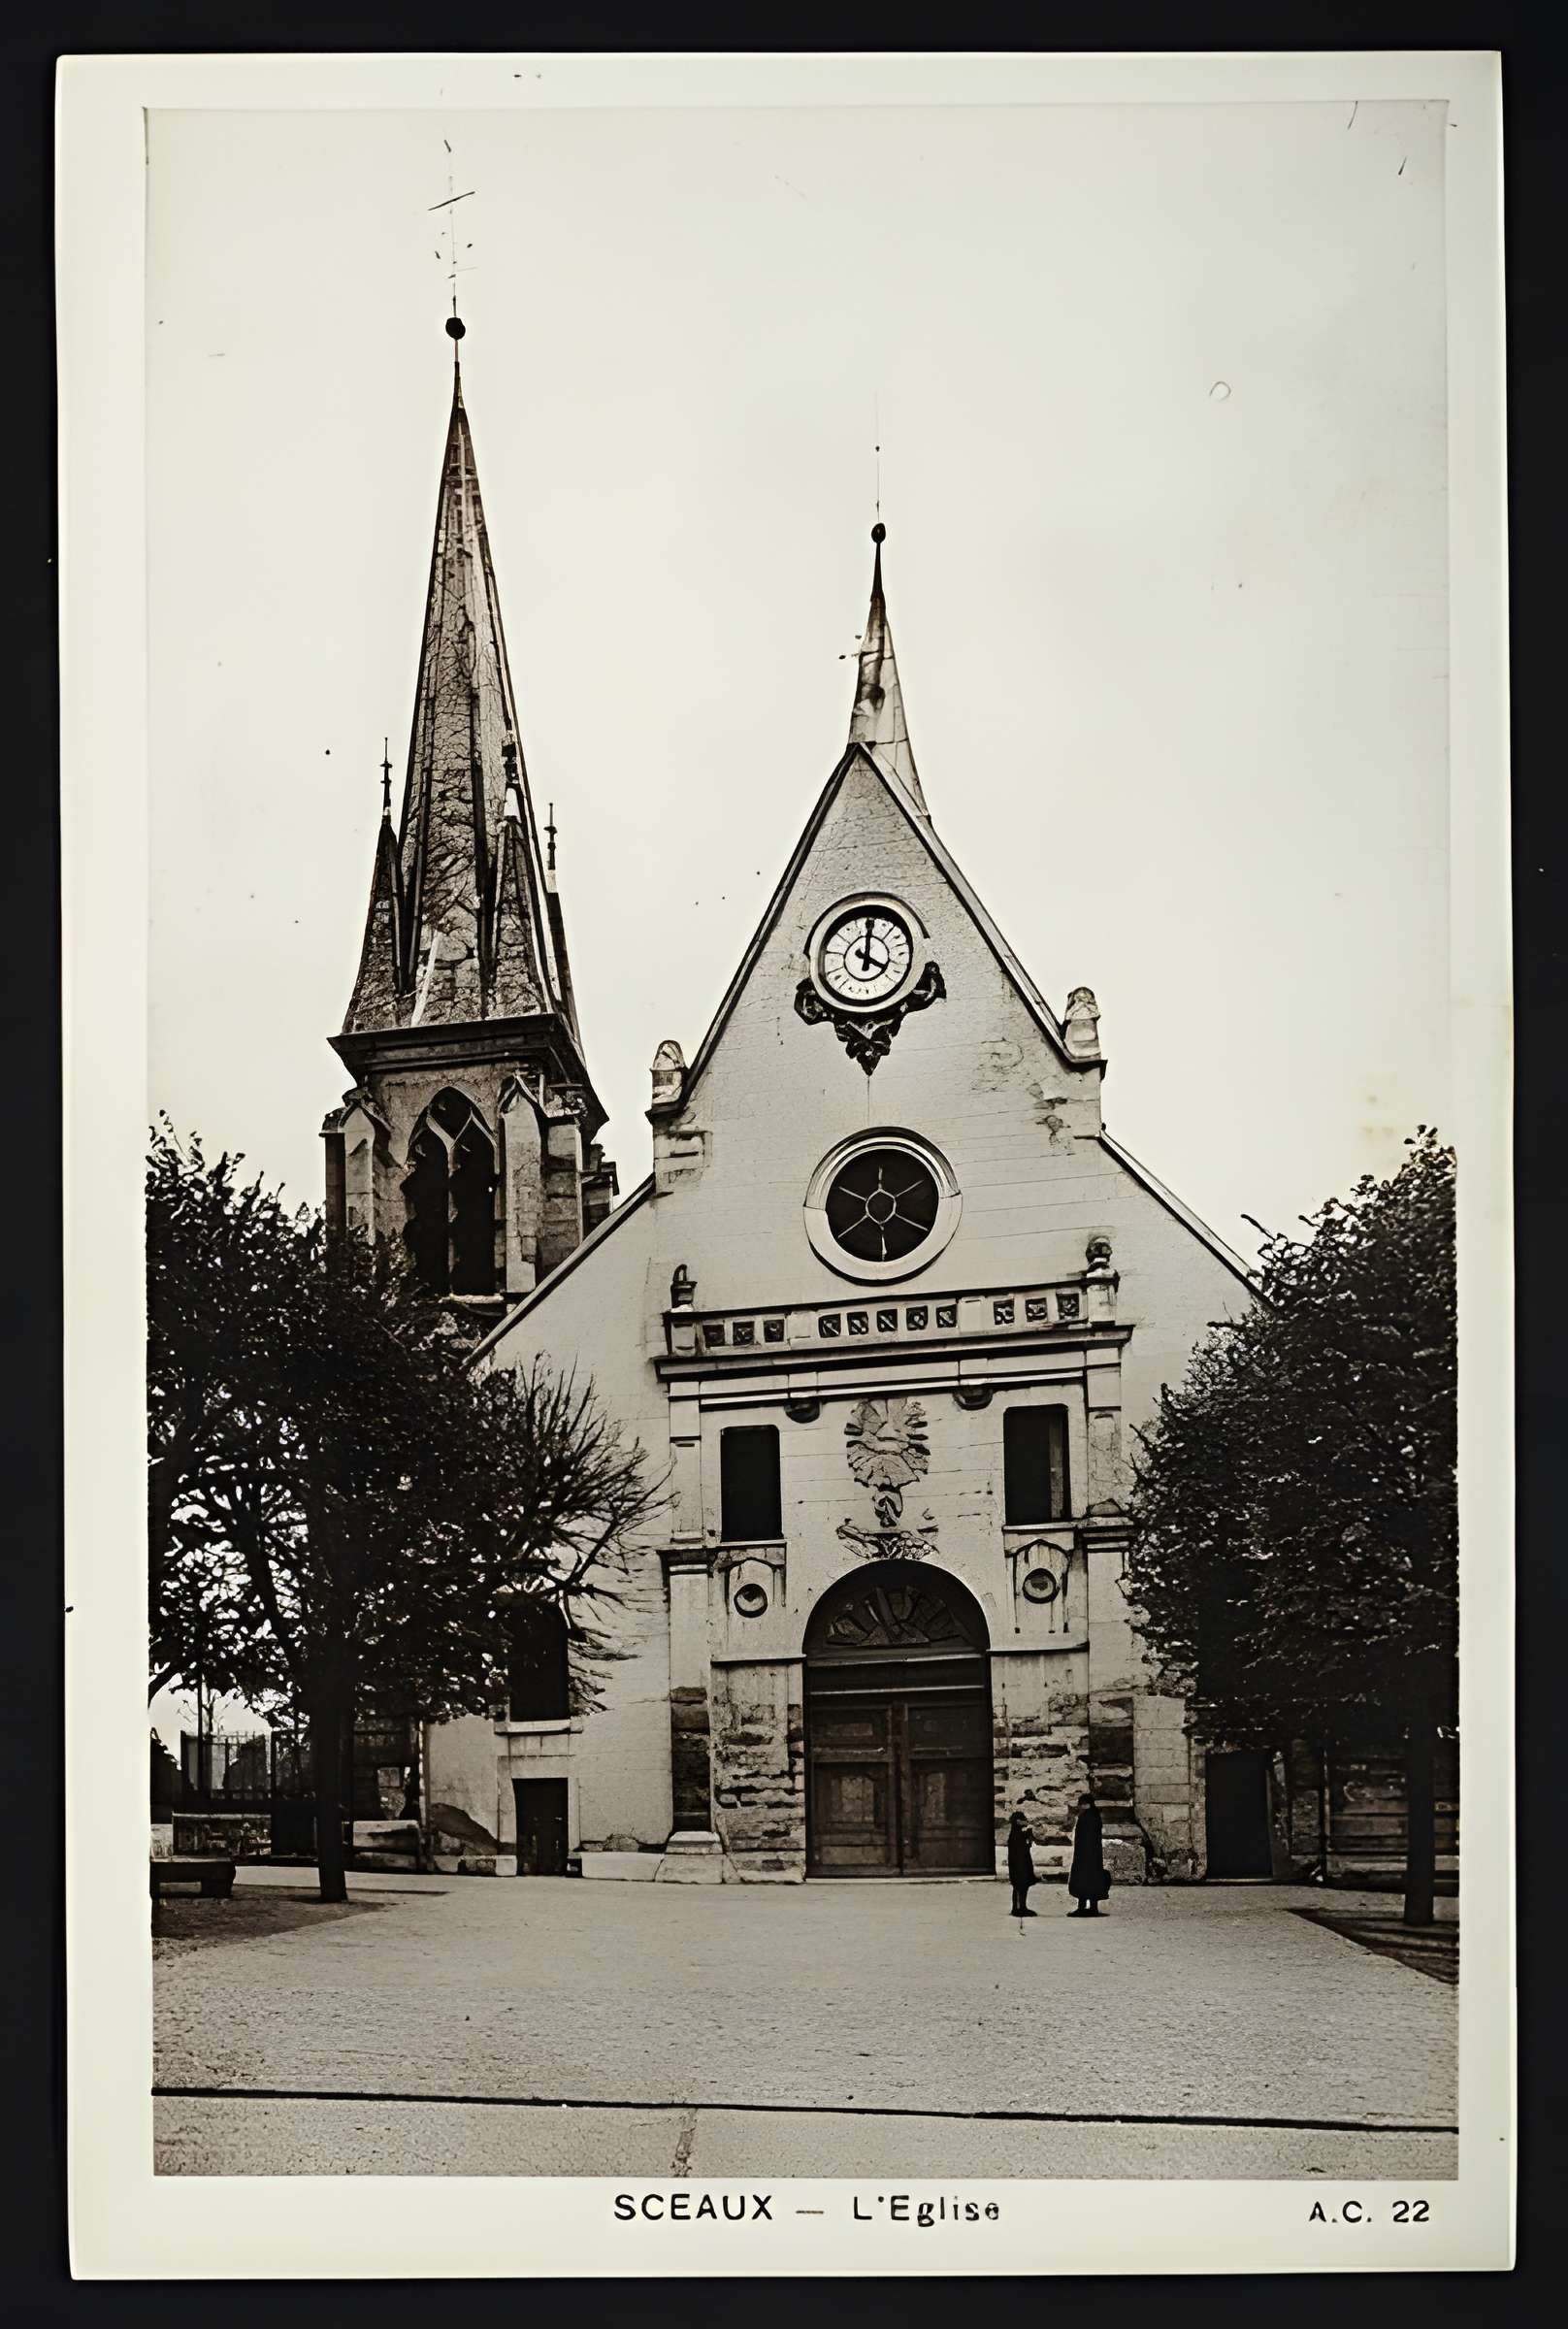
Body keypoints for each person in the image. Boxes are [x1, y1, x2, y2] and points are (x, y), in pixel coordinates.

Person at [1068, 1791, 1106, 1916]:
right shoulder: (1095, 1816)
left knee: (1083, 1879)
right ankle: (1093, 1907)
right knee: (1093, 1879)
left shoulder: (1086, 1817)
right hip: (1093, 1855)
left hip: (1084, 1855)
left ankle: (1082, 1907)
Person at [1006, 1809, 1037, 1917]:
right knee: (1020, 1886)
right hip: (1019, 1866)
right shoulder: (1016, 1835)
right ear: (1018, 1821)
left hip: (1021, 1864)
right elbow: (1021, 1850)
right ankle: (1018, 1909)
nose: (1025, 1821)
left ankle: (1021, 1907)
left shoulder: (1017, 1833)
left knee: (1021, 1886)